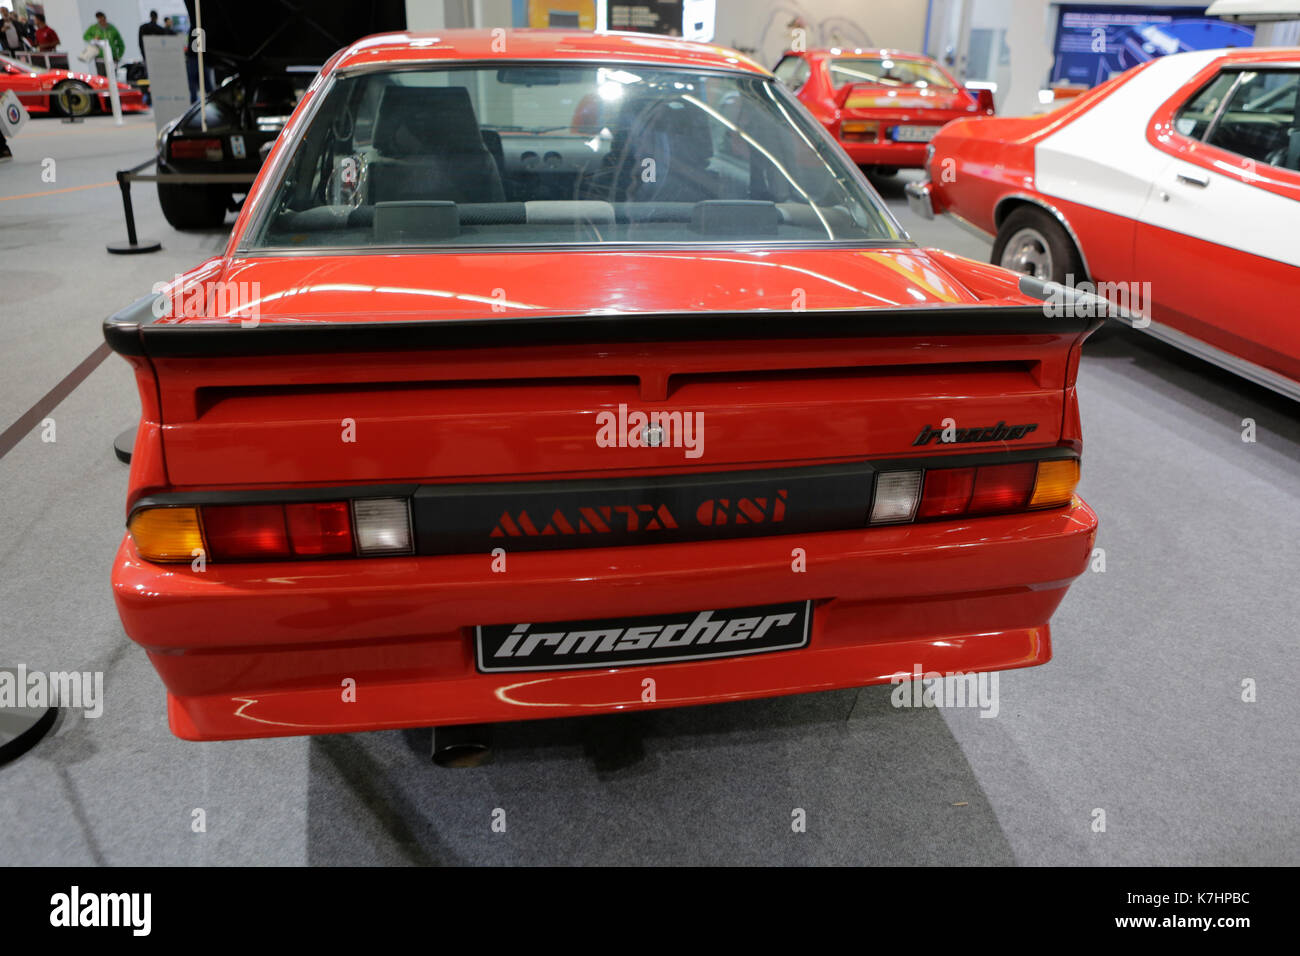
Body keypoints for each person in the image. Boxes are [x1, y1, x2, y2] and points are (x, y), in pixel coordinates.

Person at [82, 11, 124, 76]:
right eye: (99, 19)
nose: (101, 21)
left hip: (112, 57)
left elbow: (121, 44)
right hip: (100, 58)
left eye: (102, 19)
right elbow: (85, 36)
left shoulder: (112, 29)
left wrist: (119, 55)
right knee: (102, 77)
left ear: (105, 18)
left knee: (113, 75)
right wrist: (93, 39)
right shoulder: (94, 28)